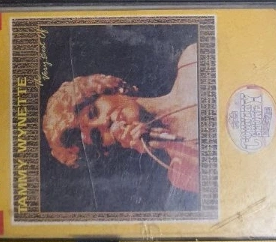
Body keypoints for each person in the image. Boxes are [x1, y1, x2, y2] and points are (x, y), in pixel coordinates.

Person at [42, 43, 200, 193]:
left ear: (107, 90)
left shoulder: (192, 61)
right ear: (109, 147)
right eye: (97, 135)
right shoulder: (180, 173)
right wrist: (167, 145)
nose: (104, 122)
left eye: (93, 112)